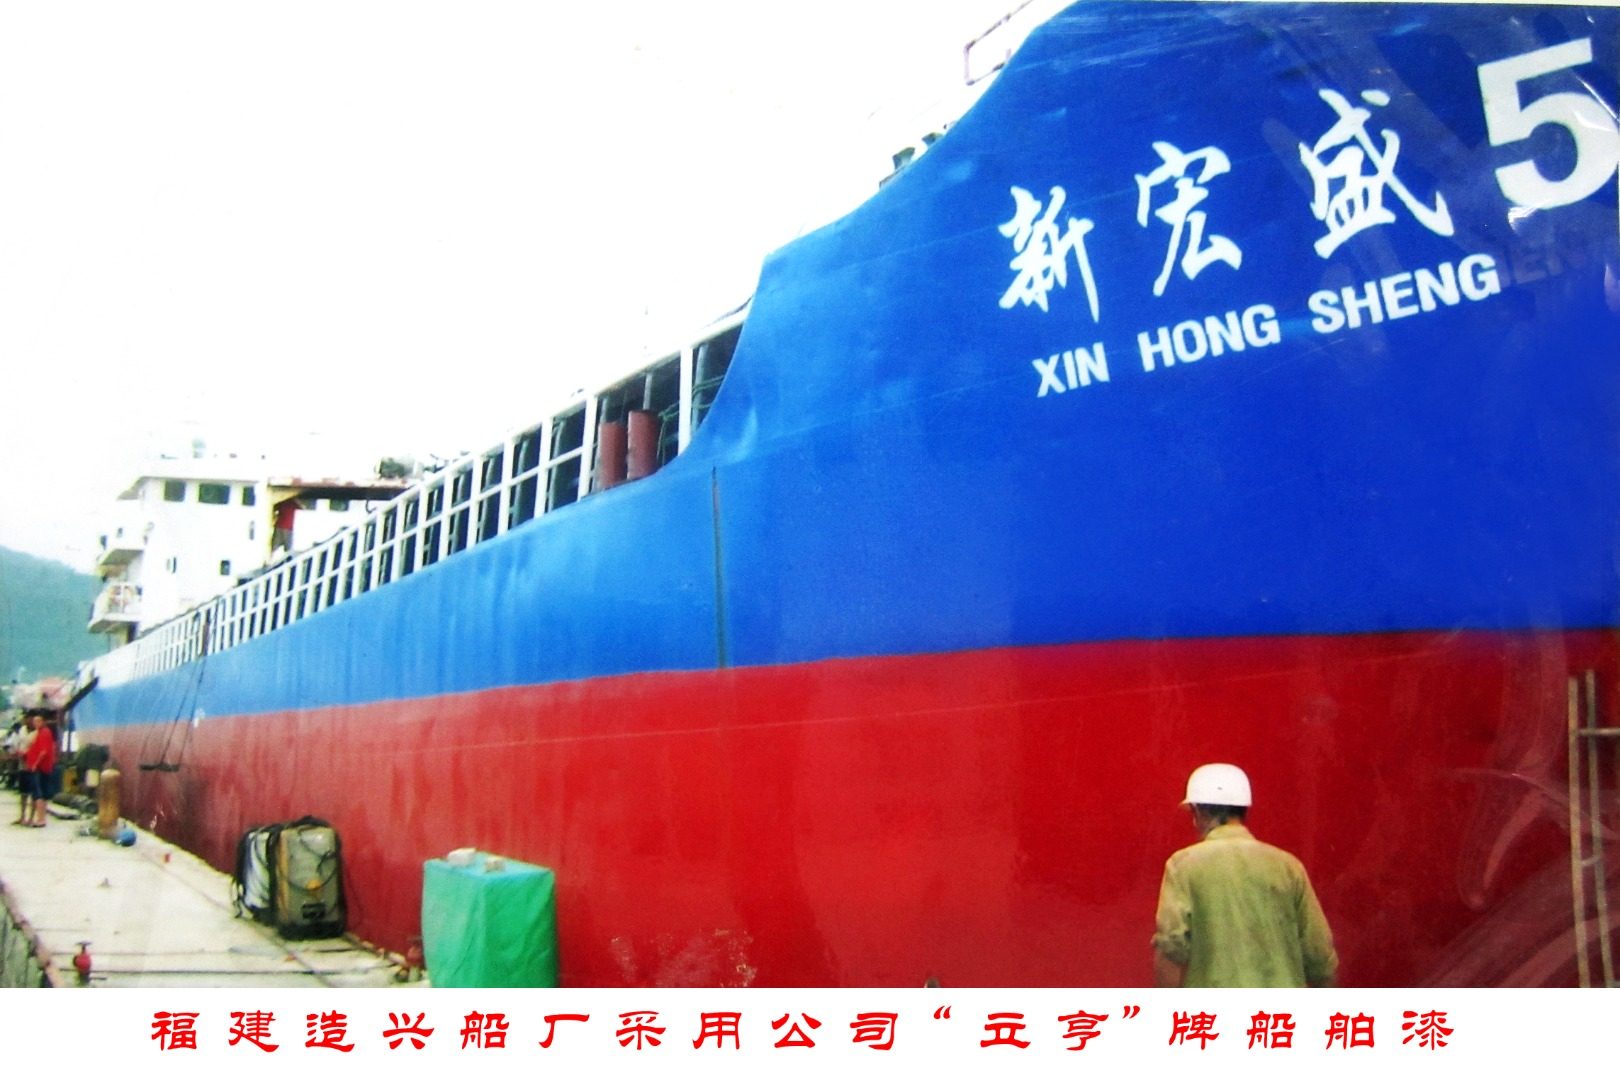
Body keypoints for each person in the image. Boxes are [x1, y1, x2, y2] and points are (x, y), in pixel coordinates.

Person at [1151, 762, 1337, 987]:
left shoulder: (1183, 866)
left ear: (1199, 811)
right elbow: (1319, 956)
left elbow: (1171, 948)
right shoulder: (1288, 867)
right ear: (1243, 811)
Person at [21, 711, 58, 828]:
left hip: (40, 767)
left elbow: (43, 752)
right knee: (41, 794)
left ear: (43, 722)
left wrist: (35, 764)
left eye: (38, 721)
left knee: (38, 794)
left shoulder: (44, 733)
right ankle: (40, 818)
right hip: (40, 766)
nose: (36, 723)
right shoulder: (40, 733)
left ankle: (41, 819)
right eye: (35, 721)